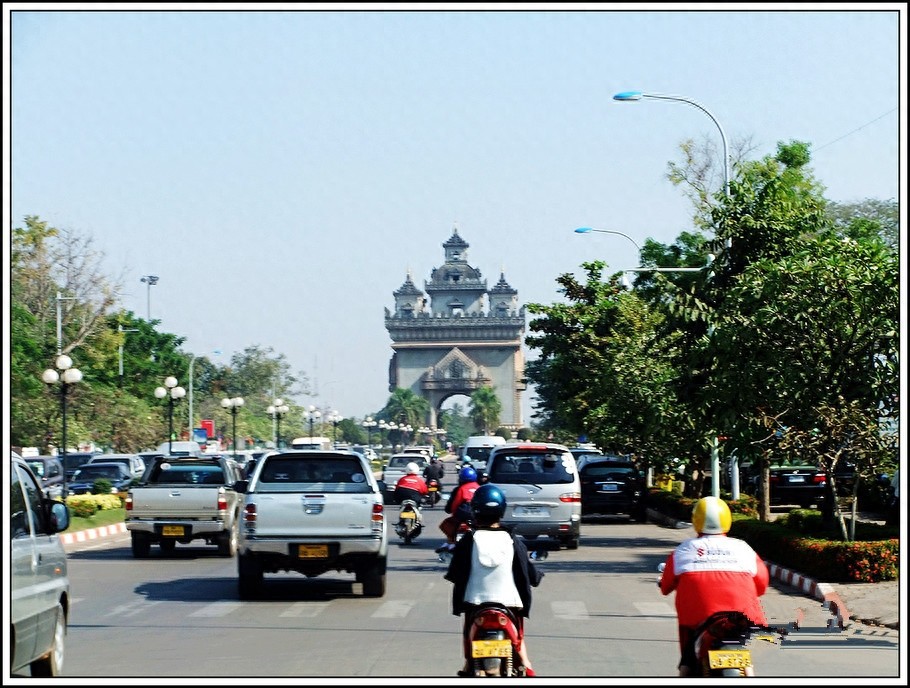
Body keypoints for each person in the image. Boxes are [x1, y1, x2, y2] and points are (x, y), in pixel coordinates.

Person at [659, 496, 769, 677]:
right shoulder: (743, 548)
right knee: (741, 650)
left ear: (696, 520)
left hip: (699, 617)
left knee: (688, 660)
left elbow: (665, 587)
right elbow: (762, 584)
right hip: (740, 616)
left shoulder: (684, 550)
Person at [444, 483, 543, 677]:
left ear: (475, 510)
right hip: (510, 604)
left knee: (468, 634)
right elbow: (528, 572)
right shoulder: (512, 540)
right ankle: (527, 665)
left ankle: (468, 663)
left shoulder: (469, 540)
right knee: (519, 640)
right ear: (502, 510)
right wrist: (536, 576)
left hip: (475, 603)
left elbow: (455, 573)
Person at [436, 466, 480, 553]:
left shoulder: (461, 489)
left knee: (446, 525)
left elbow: (456, 503)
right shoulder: (479, 487)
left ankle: (451, 542)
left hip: (463, 514)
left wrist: (454, 513)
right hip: (477, 514)